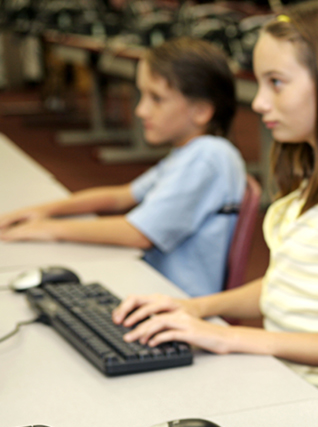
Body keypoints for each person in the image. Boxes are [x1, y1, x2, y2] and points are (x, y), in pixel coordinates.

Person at [111, 0, 318, 427]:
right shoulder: (316, 179)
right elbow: (287, 287)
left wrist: (229, 337)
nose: (259, 102)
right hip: (287, 384)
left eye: (277, 83)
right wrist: (193, 308)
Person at [0, 38, 245, 297]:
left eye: (157, 99)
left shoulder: (208, 157)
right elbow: (120, 196)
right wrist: (43, 210)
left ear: (201, 111)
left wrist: (49, 229)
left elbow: (138, 233)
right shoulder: (189, 153)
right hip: (155, 287)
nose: (141, 110)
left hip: (175, 298)